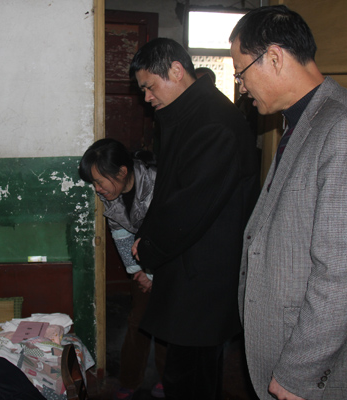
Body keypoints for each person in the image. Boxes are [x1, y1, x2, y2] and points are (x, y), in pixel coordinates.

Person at [229, 6, 347, 400]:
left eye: (241, 72)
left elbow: (343, 275)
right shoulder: (303, 120)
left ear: (274, 57)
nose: (242, 87)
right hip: (286, 339)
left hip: (316, 366)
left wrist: (298, 372)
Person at [129, 38, 260, 400]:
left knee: (191, 380)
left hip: (204, 277)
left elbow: (190, 206)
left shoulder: (212, 123)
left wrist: (150, 248)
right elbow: (169, 188)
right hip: (191, 268)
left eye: (149, 87)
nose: (147, 98)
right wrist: (147, 235)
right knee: (189, 374)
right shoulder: (189, 115)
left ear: (176, 70)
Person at [78, 138, 167, 399]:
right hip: (142, 263)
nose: (97, 189)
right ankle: (130, 379)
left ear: (122, 172)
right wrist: (136, 271)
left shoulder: (158, 184)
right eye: (93, 183)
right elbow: (120, 232)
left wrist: (152, 274)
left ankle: (169, 379)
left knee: (167, 324)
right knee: (138, 321)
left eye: (99, 181)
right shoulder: (110, 193)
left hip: (171, 262)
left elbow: (169, 235)